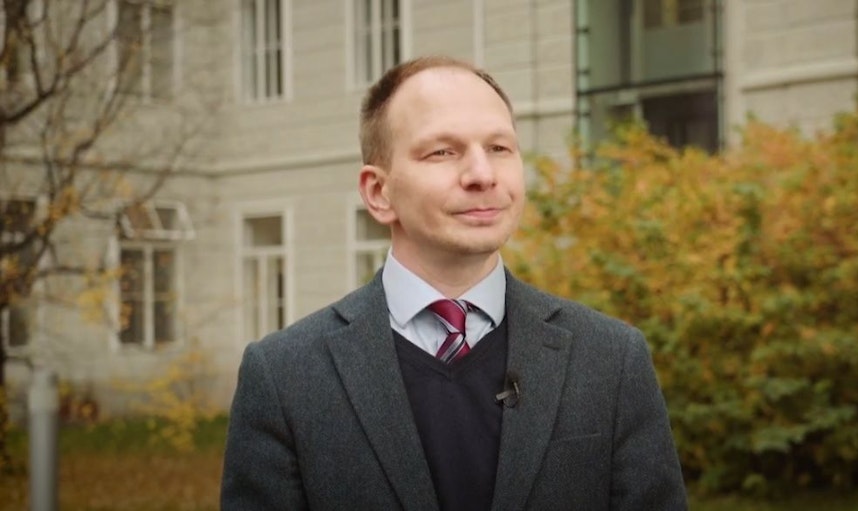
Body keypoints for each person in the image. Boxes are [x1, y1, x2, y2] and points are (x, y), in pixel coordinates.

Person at [221, 55, 688, 511]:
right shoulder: (285, 378)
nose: (482, 175)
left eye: (500, 148)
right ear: (378, 192)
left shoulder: (611, 359)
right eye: (443, 151)